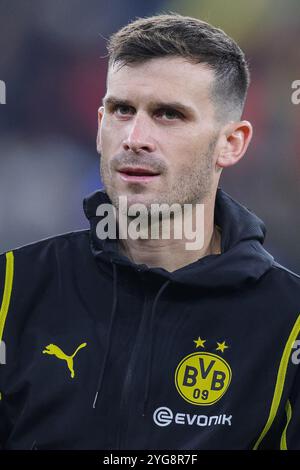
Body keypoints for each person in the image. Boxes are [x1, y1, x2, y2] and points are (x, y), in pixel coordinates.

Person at [0, 13, 299, 451]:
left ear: (231, 143)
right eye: (122, 110)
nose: (135, 137)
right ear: (100, 125)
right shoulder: (11, 288)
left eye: (169, 114)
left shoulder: (289, 323)